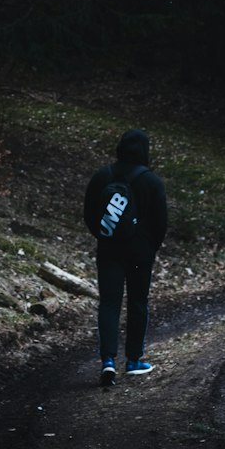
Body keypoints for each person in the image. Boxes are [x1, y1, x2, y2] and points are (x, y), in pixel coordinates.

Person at [84, 128, 167, 386]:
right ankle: (133, 361)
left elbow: (89, 214)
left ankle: (108, 361)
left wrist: (103, 235)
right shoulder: (151, 181)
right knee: (138, 302)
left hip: (109, 249)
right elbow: (161, 221)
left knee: (109, 303)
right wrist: (151, 246)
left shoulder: (102, 176)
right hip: (140, 251)